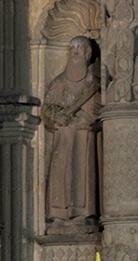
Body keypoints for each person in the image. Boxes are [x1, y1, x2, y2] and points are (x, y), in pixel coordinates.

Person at [43, 36, 101, 226]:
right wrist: (56, 117)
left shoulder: (93, 83)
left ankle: (83, 214)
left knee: (82, 172)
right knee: (61, 171)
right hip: (63, 137)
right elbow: (48, 108)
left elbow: (98, 107)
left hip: (83, 136)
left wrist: (85, 118)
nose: (76, 52)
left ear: (88, 53)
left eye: (80, 48)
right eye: (73, 48)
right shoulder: (59, 82)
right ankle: (58, 215)